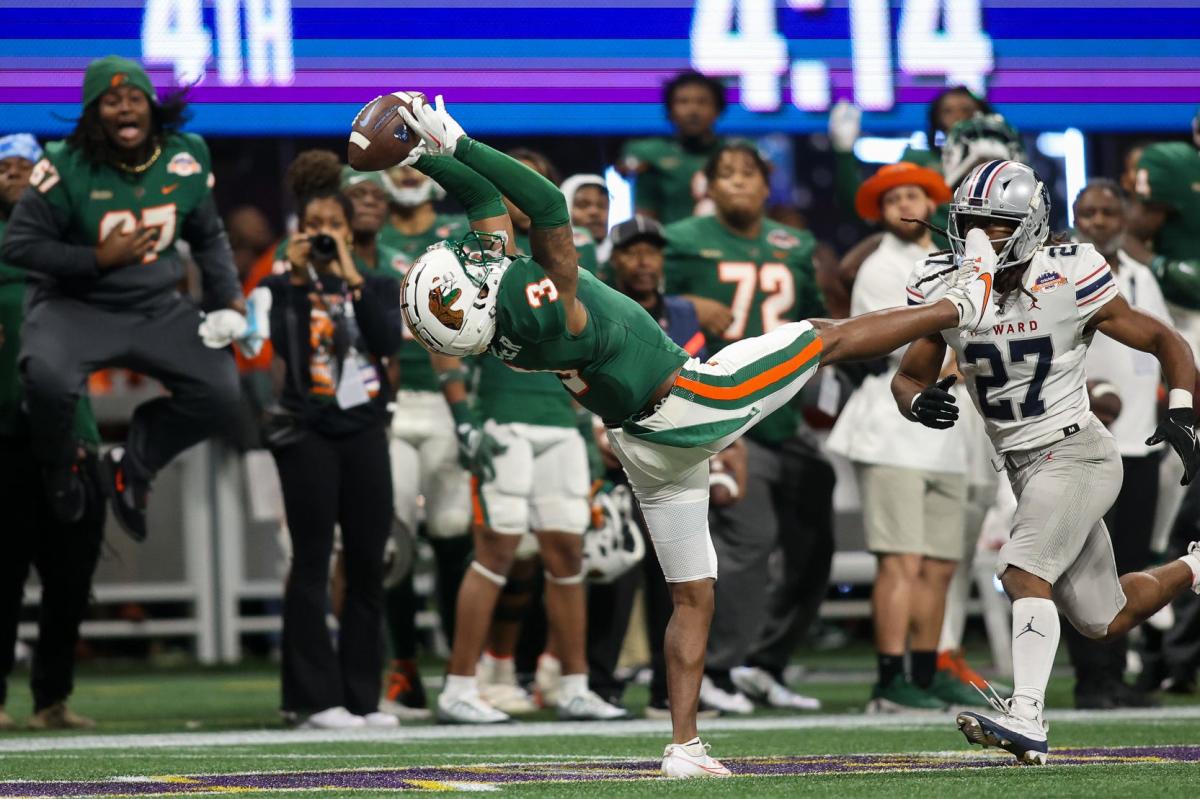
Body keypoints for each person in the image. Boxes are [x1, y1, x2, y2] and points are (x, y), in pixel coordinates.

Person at [395, 94, 993, 777]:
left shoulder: (498, 312)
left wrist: (431, 157)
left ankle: (684, 745)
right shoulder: (536, 310)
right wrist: (462, 143)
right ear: (478, 296)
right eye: (466, 268)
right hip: (688, 402)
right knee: (823, 338)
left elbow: (486, 211)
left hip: (643, 442)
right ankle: (960, 303)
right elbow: (547, 207)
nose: (472, 254)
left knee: (692, 590)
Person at [892, 159, 1200, 765]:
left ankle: (1027, 714)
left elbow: (1167, 339)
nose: (979, 237)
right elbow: (908, 375)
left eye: (996, 225)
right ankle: (1197, 567)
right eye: (970, 223)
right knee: (1101, 618)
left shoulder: (1070, 272)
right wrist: (916, 402)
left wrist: (1185, 411)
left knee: (1022, 572)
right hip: (1022, 465)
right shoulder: (947, 284)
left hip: (1079, 451)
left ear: (1032, 226)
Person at [0, 55, 244, 541]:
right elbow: (19, 245)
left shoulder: (186, 155)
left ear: (152, 107)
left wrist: (228, 299)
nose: (125, 109)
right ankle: (60, 464)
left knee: (221, 392)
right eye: (111, 101)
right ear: (94, 113)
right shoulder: (63, 165)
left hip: (155, 306)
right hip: (77, 305)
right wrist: (96, 258)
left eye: (134, 98)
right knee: (46, 377)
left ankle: (134, 464)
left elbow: (209, 235)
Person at [426, 149, 626, 726]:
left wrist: (595, 417)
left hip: (563, 417)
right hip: (505, 412)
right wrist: (463, 416)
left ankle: (573, 683)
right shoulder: (469, 253)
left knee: (567, 551)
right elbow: (434, 330)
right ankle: (461, 685)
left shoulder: (576, 249)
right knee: (497, 549)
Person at [663, 142, 827, 715]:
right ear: (708, 186)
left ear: (766, 183)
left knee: (813, 546)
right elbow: (635, 302)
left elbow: (819, 321)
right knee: (749, 540)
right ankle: (719, 667)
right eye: (724, 173)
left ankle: (764, 662)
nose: (737, 183)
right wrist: (681, 303)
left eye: (747, 173)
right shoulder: (679, 239)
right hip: (727, 412)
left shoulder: (796, 245)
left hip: (786, 414)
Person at [826, 161, 983, 712]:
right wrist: (964, 363)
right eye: (893, 199)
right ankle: (890, 679)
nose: (904, 206)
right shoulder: (879, 267)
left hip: (945, 428)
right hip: (892, 423)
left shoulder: (953, 262)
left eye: (914, 196)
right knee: (902, 559)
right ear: (880, 210)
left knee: (941, 562)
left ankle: (927, 669)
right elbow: (892, 344)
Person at [261, 151, 404, 730]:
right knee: (312, 562)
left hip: (365, 428)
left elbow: (387, 341)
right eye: (315, 229)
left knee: (369, 563)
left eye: (334, 229)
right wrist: (295, 281)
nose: (324, 237)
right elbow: (282, 351)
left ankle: (362, 697)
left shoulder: (374, 283)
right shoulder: (282, 287)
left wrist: (349, 274)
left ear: (352, 232)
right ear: (298, 233)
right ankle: (313, 698)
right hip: (308, 432)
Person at [0, 133, 105, 731]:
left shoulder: (69, 242)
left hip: (70, 427)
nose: (15, 175)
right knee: (4, 576)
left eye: (26, 167)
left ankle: (52, 698)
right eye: (5, 167)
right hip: (5, 431)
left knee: (70, 576)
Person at [584, 215, 708, 712]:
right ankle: (599, 681)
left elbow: (698, 378)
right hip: (613, 456)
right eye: (632, 252)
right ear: (614, 259)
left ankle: (665, 688)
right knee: (614, 570)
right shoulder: (597, 307)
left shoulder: (682, 314)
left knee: (676, 578)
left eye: (651, 251)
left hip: (670, 456)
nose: (642, 261)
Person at [1070, 180, 1172, 708]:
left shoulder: (1139, 277)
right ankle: (1091, 679)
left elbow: (1158, 344)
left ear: (1126, 215)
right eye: (1089, 213)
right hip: (1082, 445)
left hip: (1140, 443)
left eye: (1109, 212)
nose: (1100, 221)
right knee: (1084, 566)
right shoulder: (1057, 275)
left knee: (1129, 562)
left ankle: (1115, 672)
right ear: (1075, 217)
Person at [619, 71, 726, 225]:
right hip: (670, 246)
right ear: (670, 111)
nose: (693, 110)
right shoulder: (649, 155)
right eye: (683, 102)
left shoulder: (739, 155)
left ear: (718, 109)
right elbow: (644, 217)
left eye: (702, 102)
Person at [561, 174, 612, 275]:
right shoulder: (549, 259)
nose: (594, 212)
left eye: (602, 205)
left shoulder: (619, 257)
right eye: (583, 205)